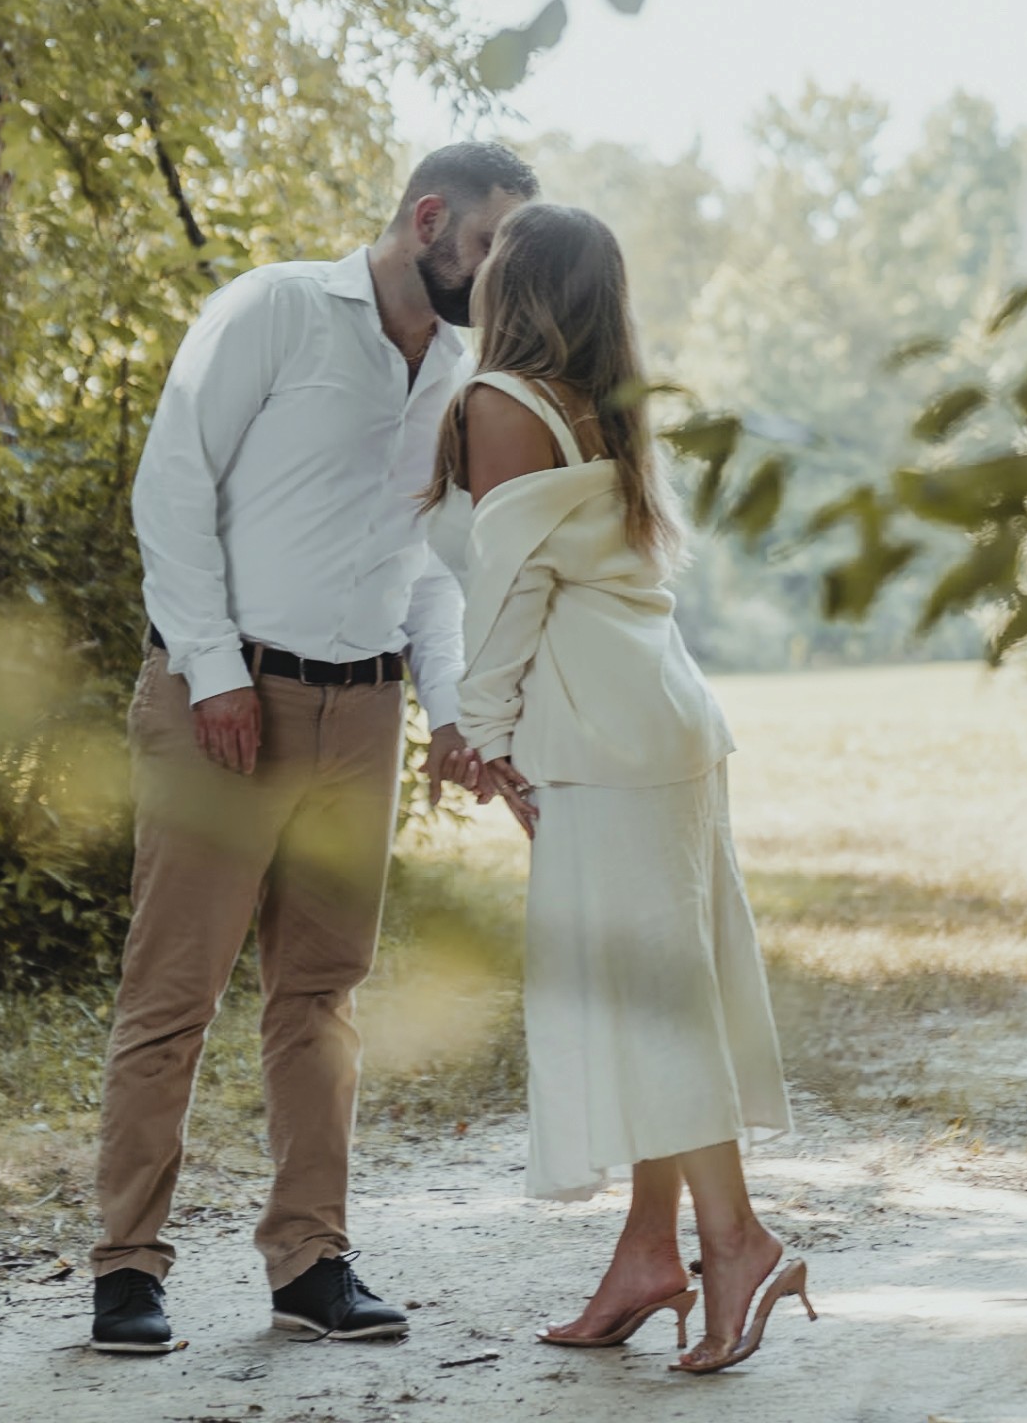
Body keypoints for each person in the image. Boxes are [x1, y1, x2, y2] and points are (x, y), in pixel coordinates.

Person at [88, 144, 539, 1354]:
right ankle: (127, 1269)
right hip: (221, 702)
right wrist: (217, 673)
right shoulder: (274, 308)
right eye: (490, 244)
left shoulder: (458, 373)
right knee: (172, 993)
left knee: (324, 997)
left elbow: (432, 570)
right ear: (429, 218)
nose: (498, 274)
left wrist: (450, 712)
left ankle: (311, 1261)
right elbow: (170, 490)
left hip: (366, 712)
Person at [421, 203, 812, 1374]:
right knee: (666, 991)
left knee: (653, 1005)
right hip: (664, 724)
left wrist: (479, 735)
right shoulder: (605, 409)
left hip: (604, 740)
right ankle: (650, 1253)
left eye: (493, 260)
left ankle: (737, 1242)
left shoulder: (501, 405)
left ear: (516, 284)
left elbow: (504, 595)